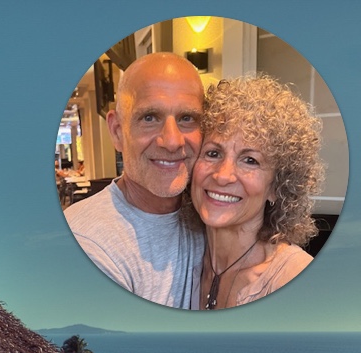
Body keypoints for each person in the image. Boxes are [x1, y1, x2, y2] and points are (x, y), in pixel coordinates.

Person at [64, 52, 206, 308]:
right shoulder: (88, 244)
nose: (172, 141)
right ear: (118, 131)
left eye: (187, 118)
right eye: (149, 118)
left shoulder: (211, 212)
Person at [190, 75, 324, 309]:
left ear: (276, 187)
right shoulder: (182, 258)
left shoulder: (296, 281)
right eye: (213, 153)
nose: (223, 175)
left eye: (250, 160)